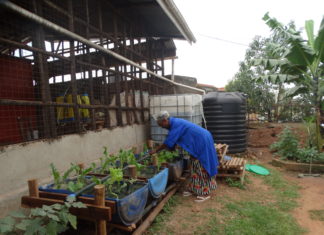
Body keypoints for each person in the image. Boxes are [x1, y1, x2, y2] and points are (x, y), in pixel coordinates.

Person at [150, 111, 219, 202]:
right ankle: (195, 188)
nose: (161, 127)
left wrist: (155, 151)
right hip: (199, 140)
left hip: (202, 141)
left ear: (164, 120)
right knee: (194, 165)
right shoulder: (174, 123)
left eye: (161, 125)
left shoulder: (176, 124)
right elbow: (173, 140)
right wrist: (172, 147)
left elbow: (168, 142)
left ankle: (205, 192)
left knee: (201, 166)